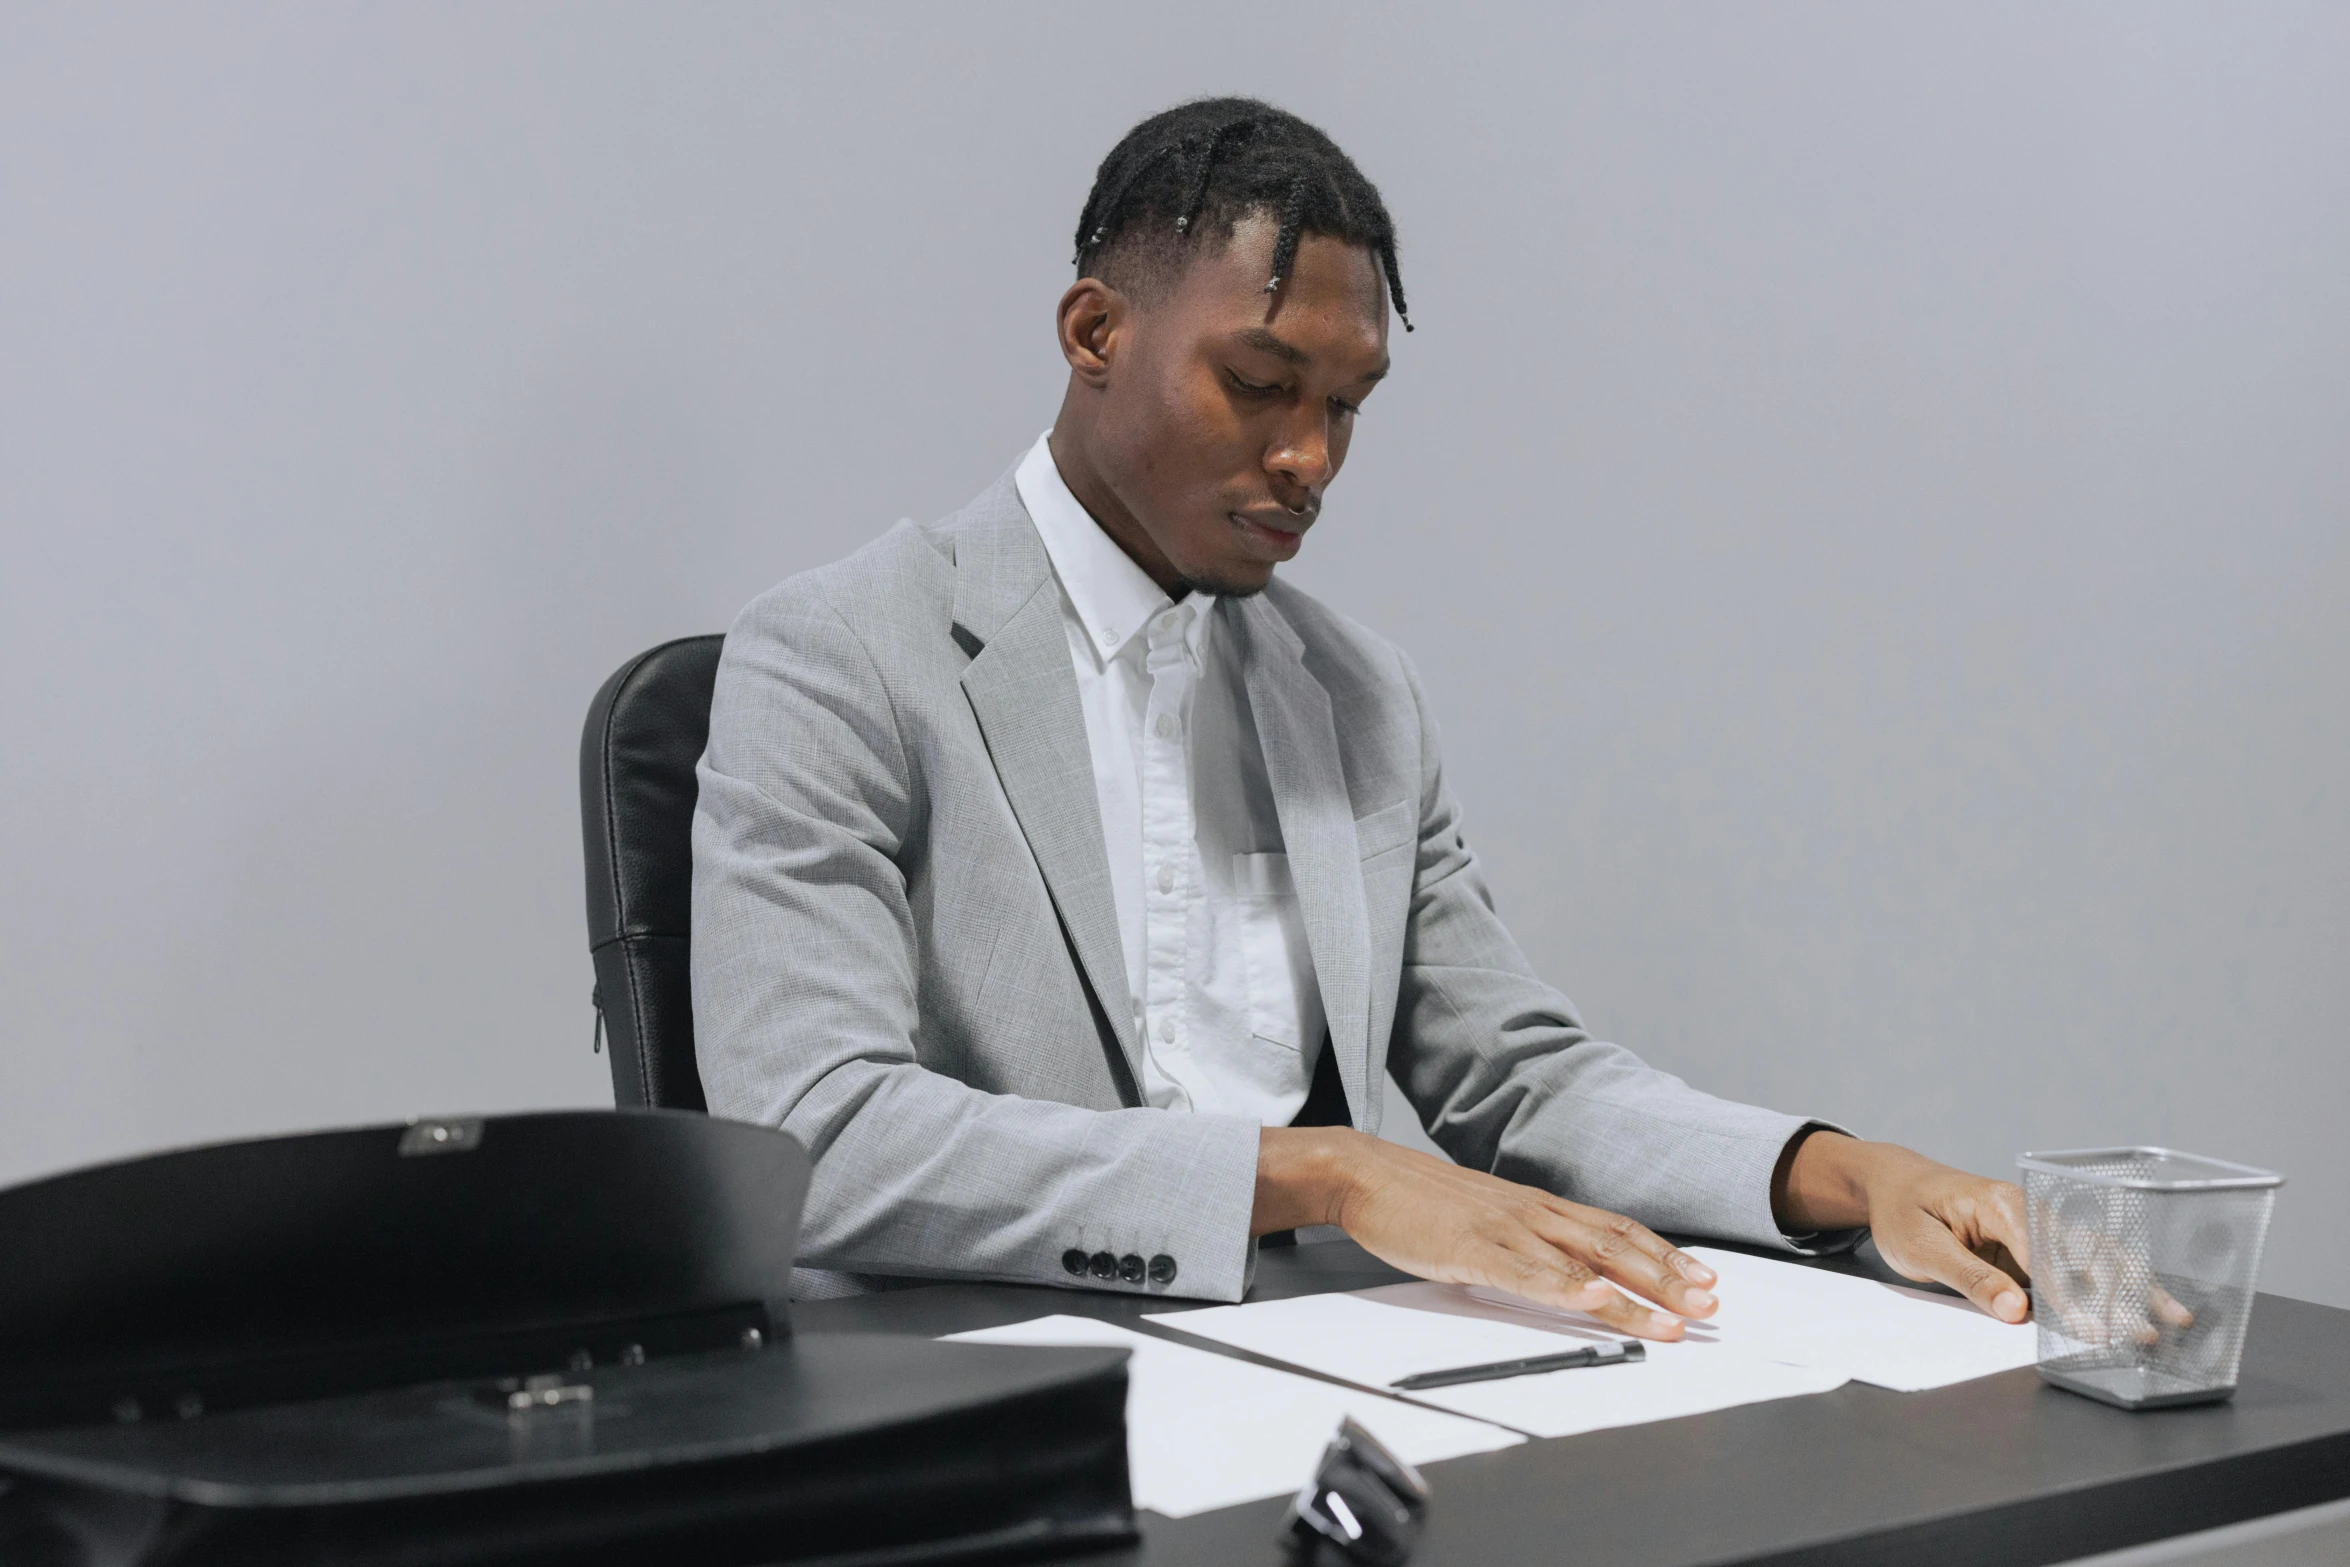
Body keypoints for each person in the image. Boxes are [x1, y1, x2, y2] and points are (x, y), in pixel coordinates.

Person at [692, 98, 2031, 1338]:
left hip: (1304, 1376)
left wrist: (1856, 1173)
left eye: (1344, 405)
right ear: (1095, 333)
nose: (1309, 458)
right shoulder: (839, 655)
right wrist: (1322, 1173)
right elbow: (818, 1139)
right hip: (973, 1394)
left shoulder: (1353, 695)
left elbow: (1516, 1075)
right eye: (1259, 383)